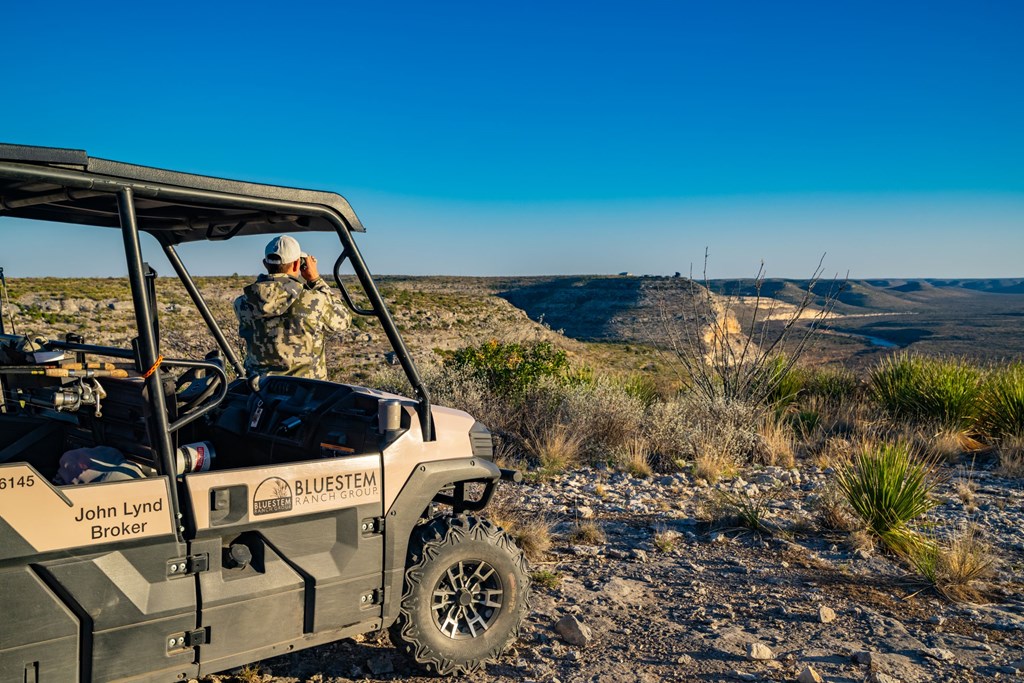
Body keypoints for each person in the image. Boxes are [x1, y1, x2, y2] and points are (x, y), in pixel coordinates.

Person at [234, 235, 351, 380]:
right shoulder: (314, 300)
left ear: (265, 264)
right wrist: (315, 280)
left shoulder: (242, 303)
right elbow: (344, 320)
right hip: (307, 391)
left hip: (260, 390)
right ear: (297, 264)